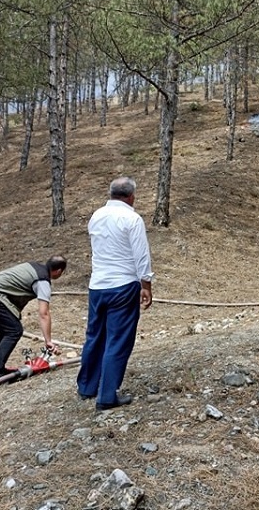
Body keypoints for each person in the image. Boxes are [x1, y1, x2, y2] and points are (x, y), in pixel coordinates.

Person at [77, 176, 154, 411]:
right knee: (118, 340)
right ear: (131, 197)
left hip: (98, 285)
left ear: (111, 194)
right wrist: (146, 284)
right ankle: (107, 395)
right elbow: (141, 254)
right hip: (123, 284)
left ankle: (87, 386)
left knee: (95, 336)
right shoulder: (132, 218)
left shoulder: (96, 216)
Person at [0, 256, 66, 383]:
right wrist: (48, 341)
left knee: (5, 330)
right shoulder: (43, 282)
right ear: (59, 271)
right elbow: (44, 313)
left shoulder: (32, 266)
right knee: (14, 330)